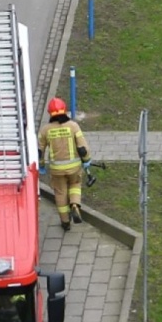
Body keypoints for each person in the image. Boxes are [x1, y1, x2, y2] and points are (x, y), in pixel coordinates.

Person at [37, 97, 92, 232]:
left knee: (60, 193)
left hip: (56, 170)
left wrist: (42, 166)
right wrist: (87, 161)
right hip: (74, 167)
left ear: (50, 113)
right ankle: (74, 205)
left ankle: (65, 222)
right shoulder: (73, 126)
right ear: (64, 110)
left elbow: (39, 151)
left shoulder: (45, 130)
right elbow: (83, 147)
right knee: (75, 184)